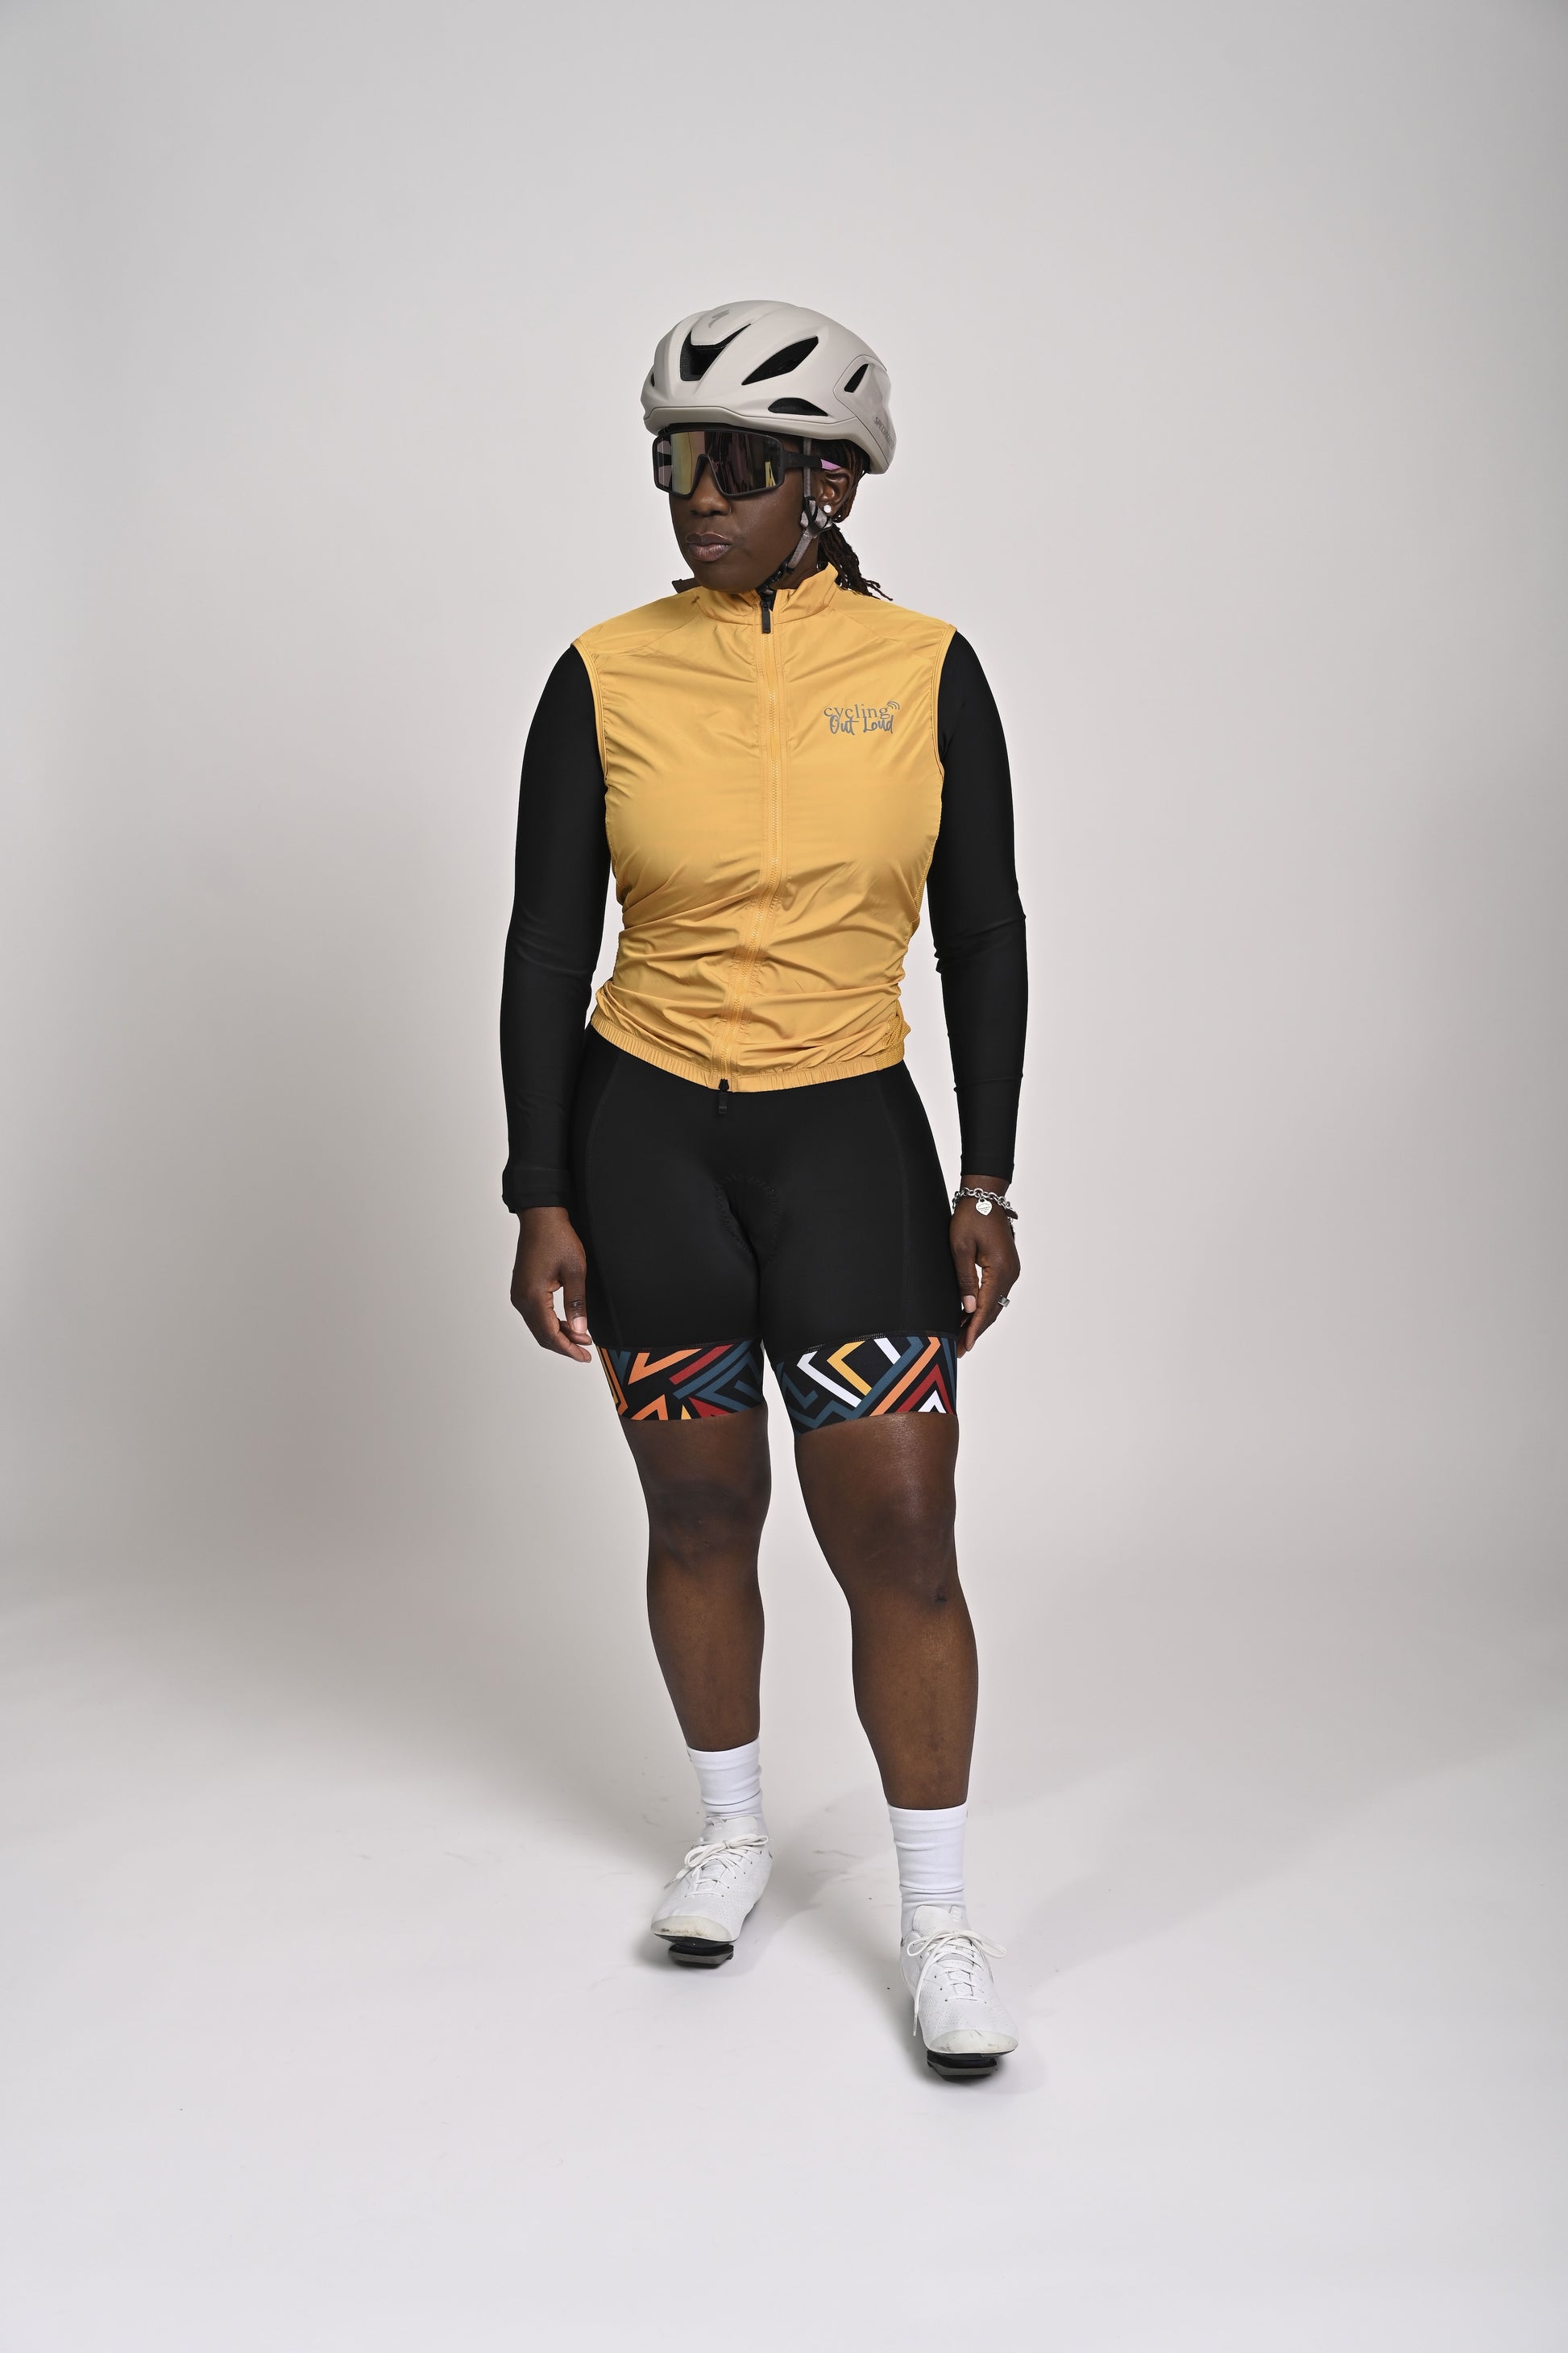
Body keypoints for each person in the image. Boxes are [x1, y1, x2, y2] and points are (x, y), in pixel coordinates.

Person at [500, 302, 1027, 2077]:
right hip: (646, 1136)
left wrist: (987, 1176)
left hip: (845, 1142)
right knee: (698, 1513)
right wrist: (538, 1187)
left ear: (828, 485)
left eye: (733, 463)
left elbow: (982, 935)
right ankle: (728, 1831)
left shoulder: (931, 667)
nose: (695, 495)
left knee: (900, 1538)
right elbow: (544, 945)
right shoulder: (602, 671)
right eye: (673, 459)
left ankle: (937, 1920)